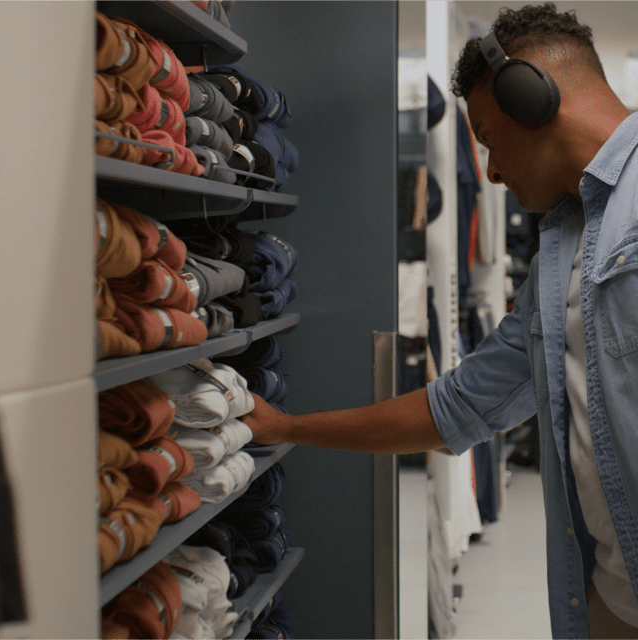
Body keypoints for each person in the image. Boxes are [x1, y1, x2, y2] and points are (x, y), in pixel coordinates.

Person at [241, 3, 638, 638]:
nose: (491, 172)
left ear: (531, 100)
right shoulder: (561, 252)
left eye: (487, 138)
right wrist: (286, 426)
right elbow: (455, 409)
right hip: (610, 604)